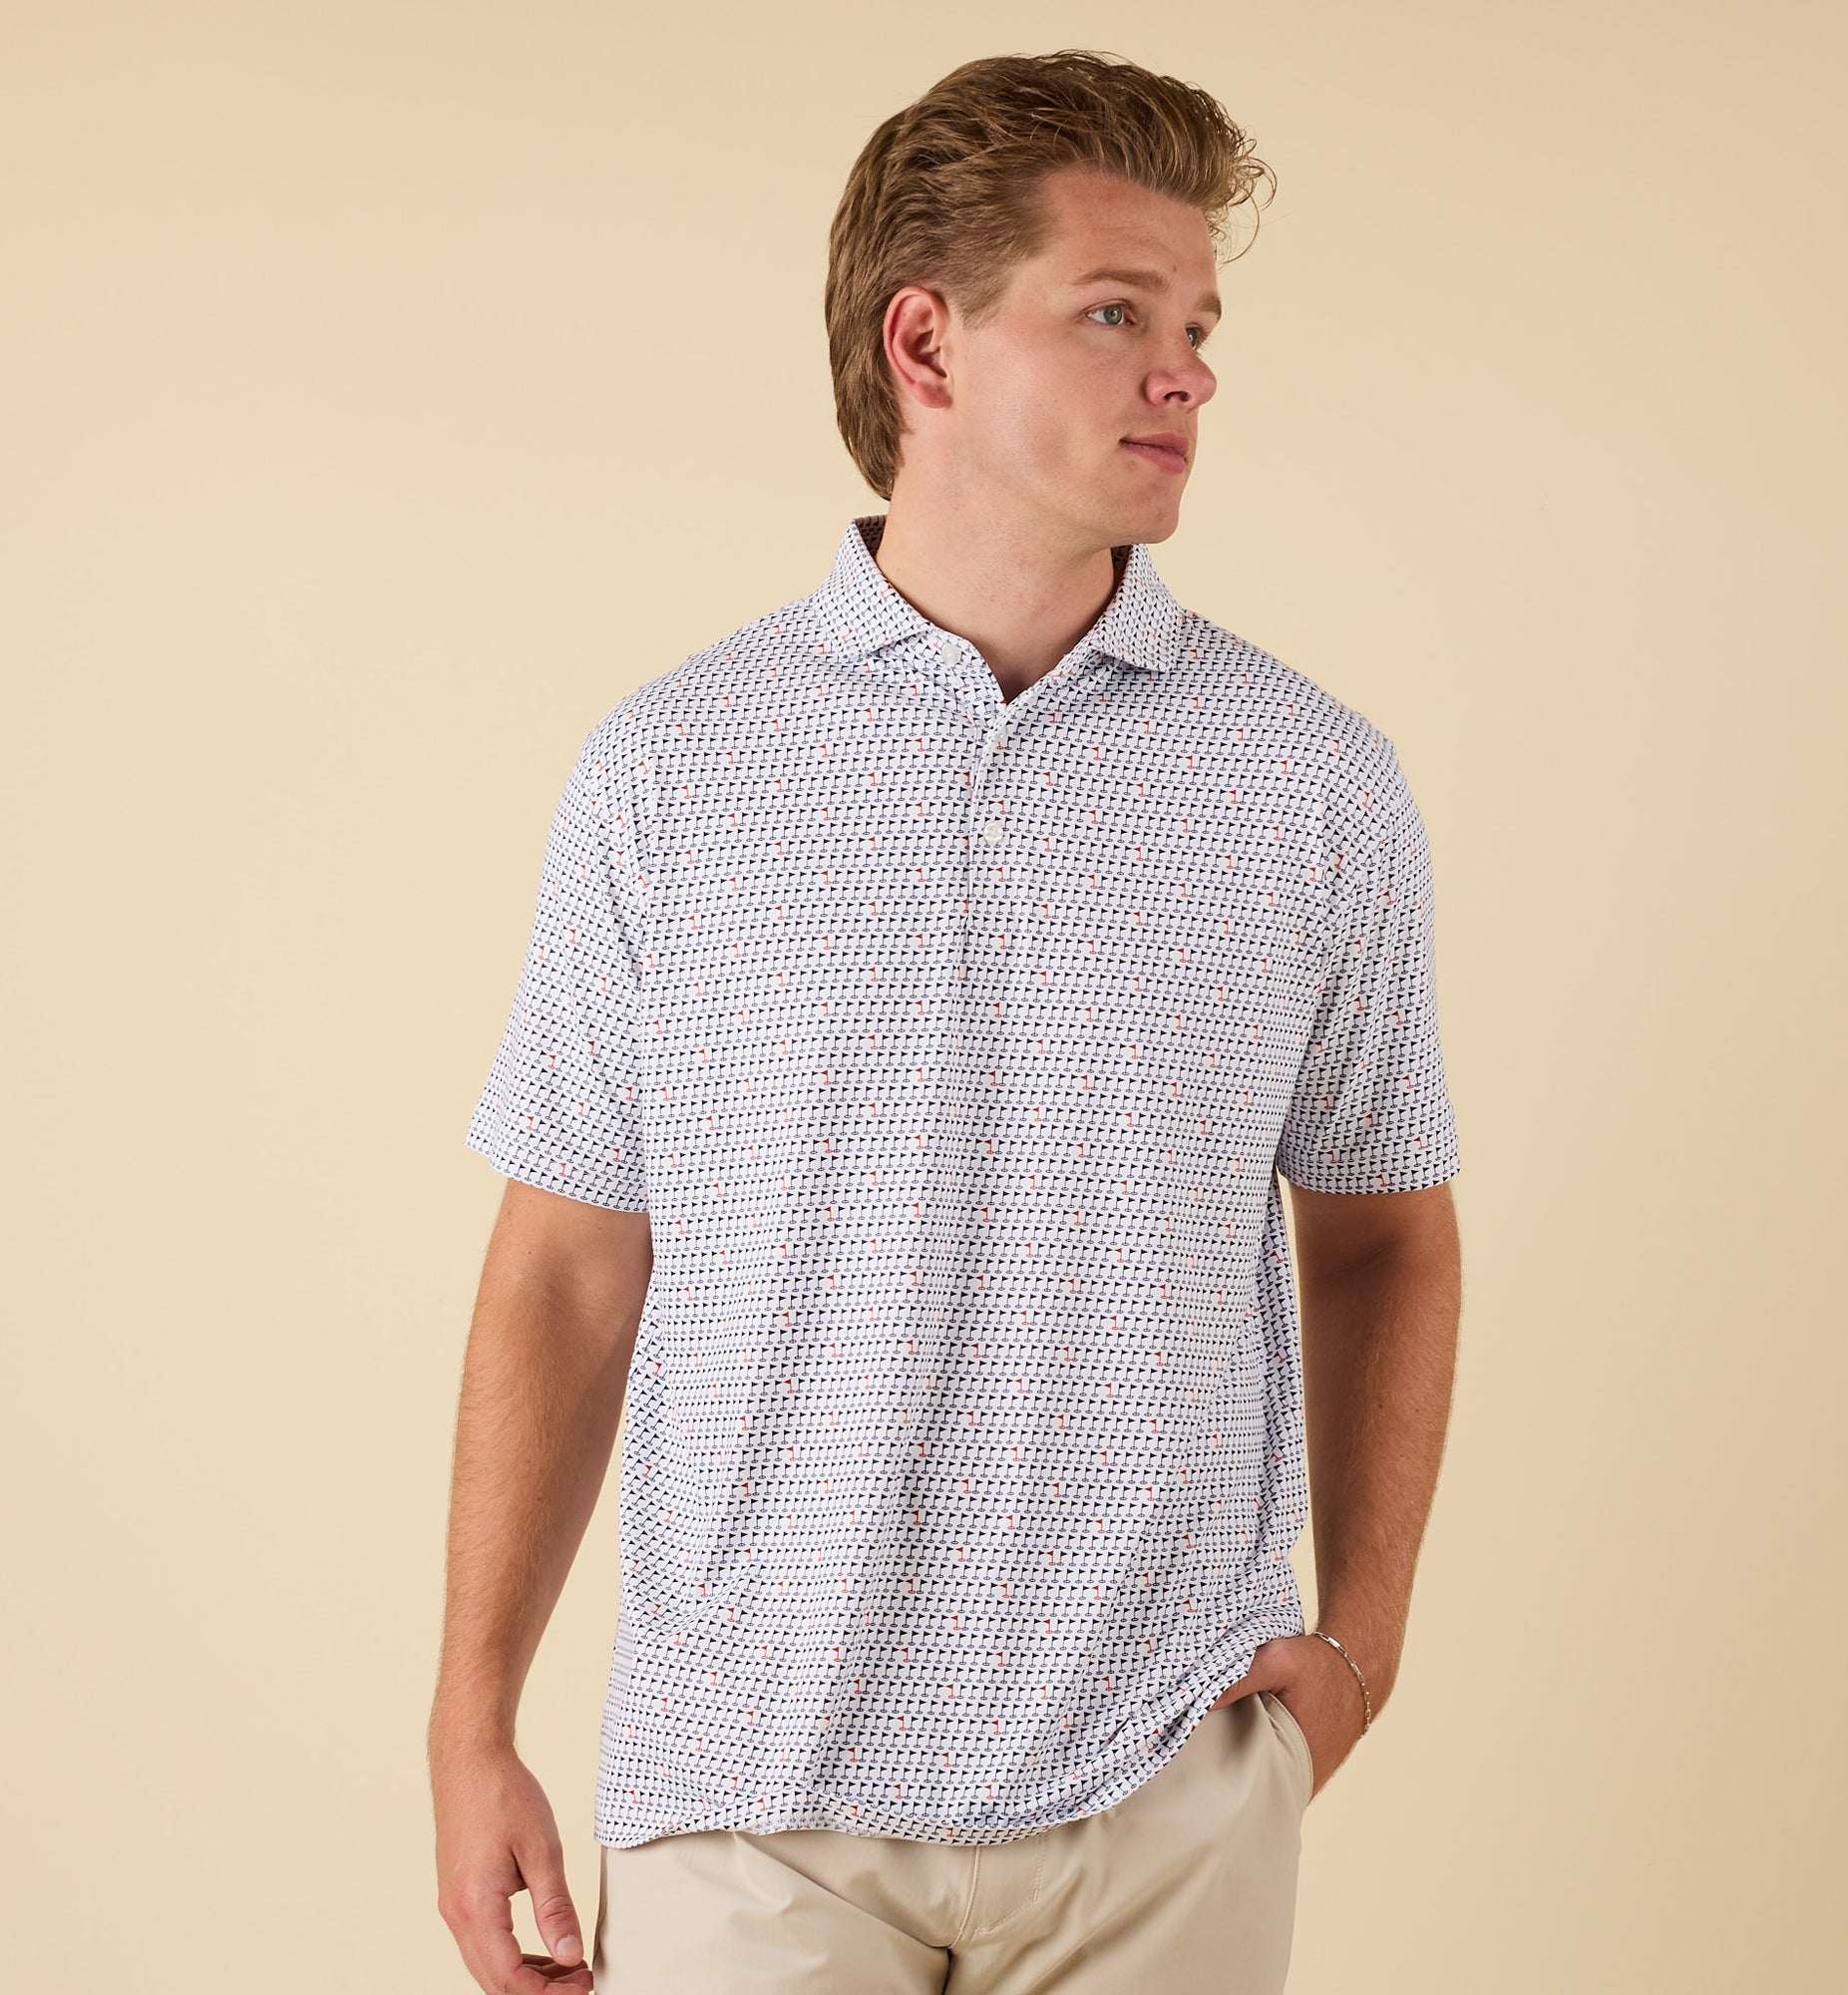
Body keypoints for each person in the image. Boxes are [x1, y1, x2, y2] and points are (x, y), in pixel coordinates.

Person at [429, 47, 1463, 1995]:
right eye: (1113, 313)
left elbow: (1386, 1226)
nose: (1188, 370)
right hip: (747, 1803)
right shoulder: (675, 770)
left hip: (1161, 1801)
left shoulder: (1309, 783)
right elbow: (567, 1264)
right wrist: (468, 1716)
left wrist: (1364, 1648)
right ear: (928, 345)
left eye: (1197, 323)